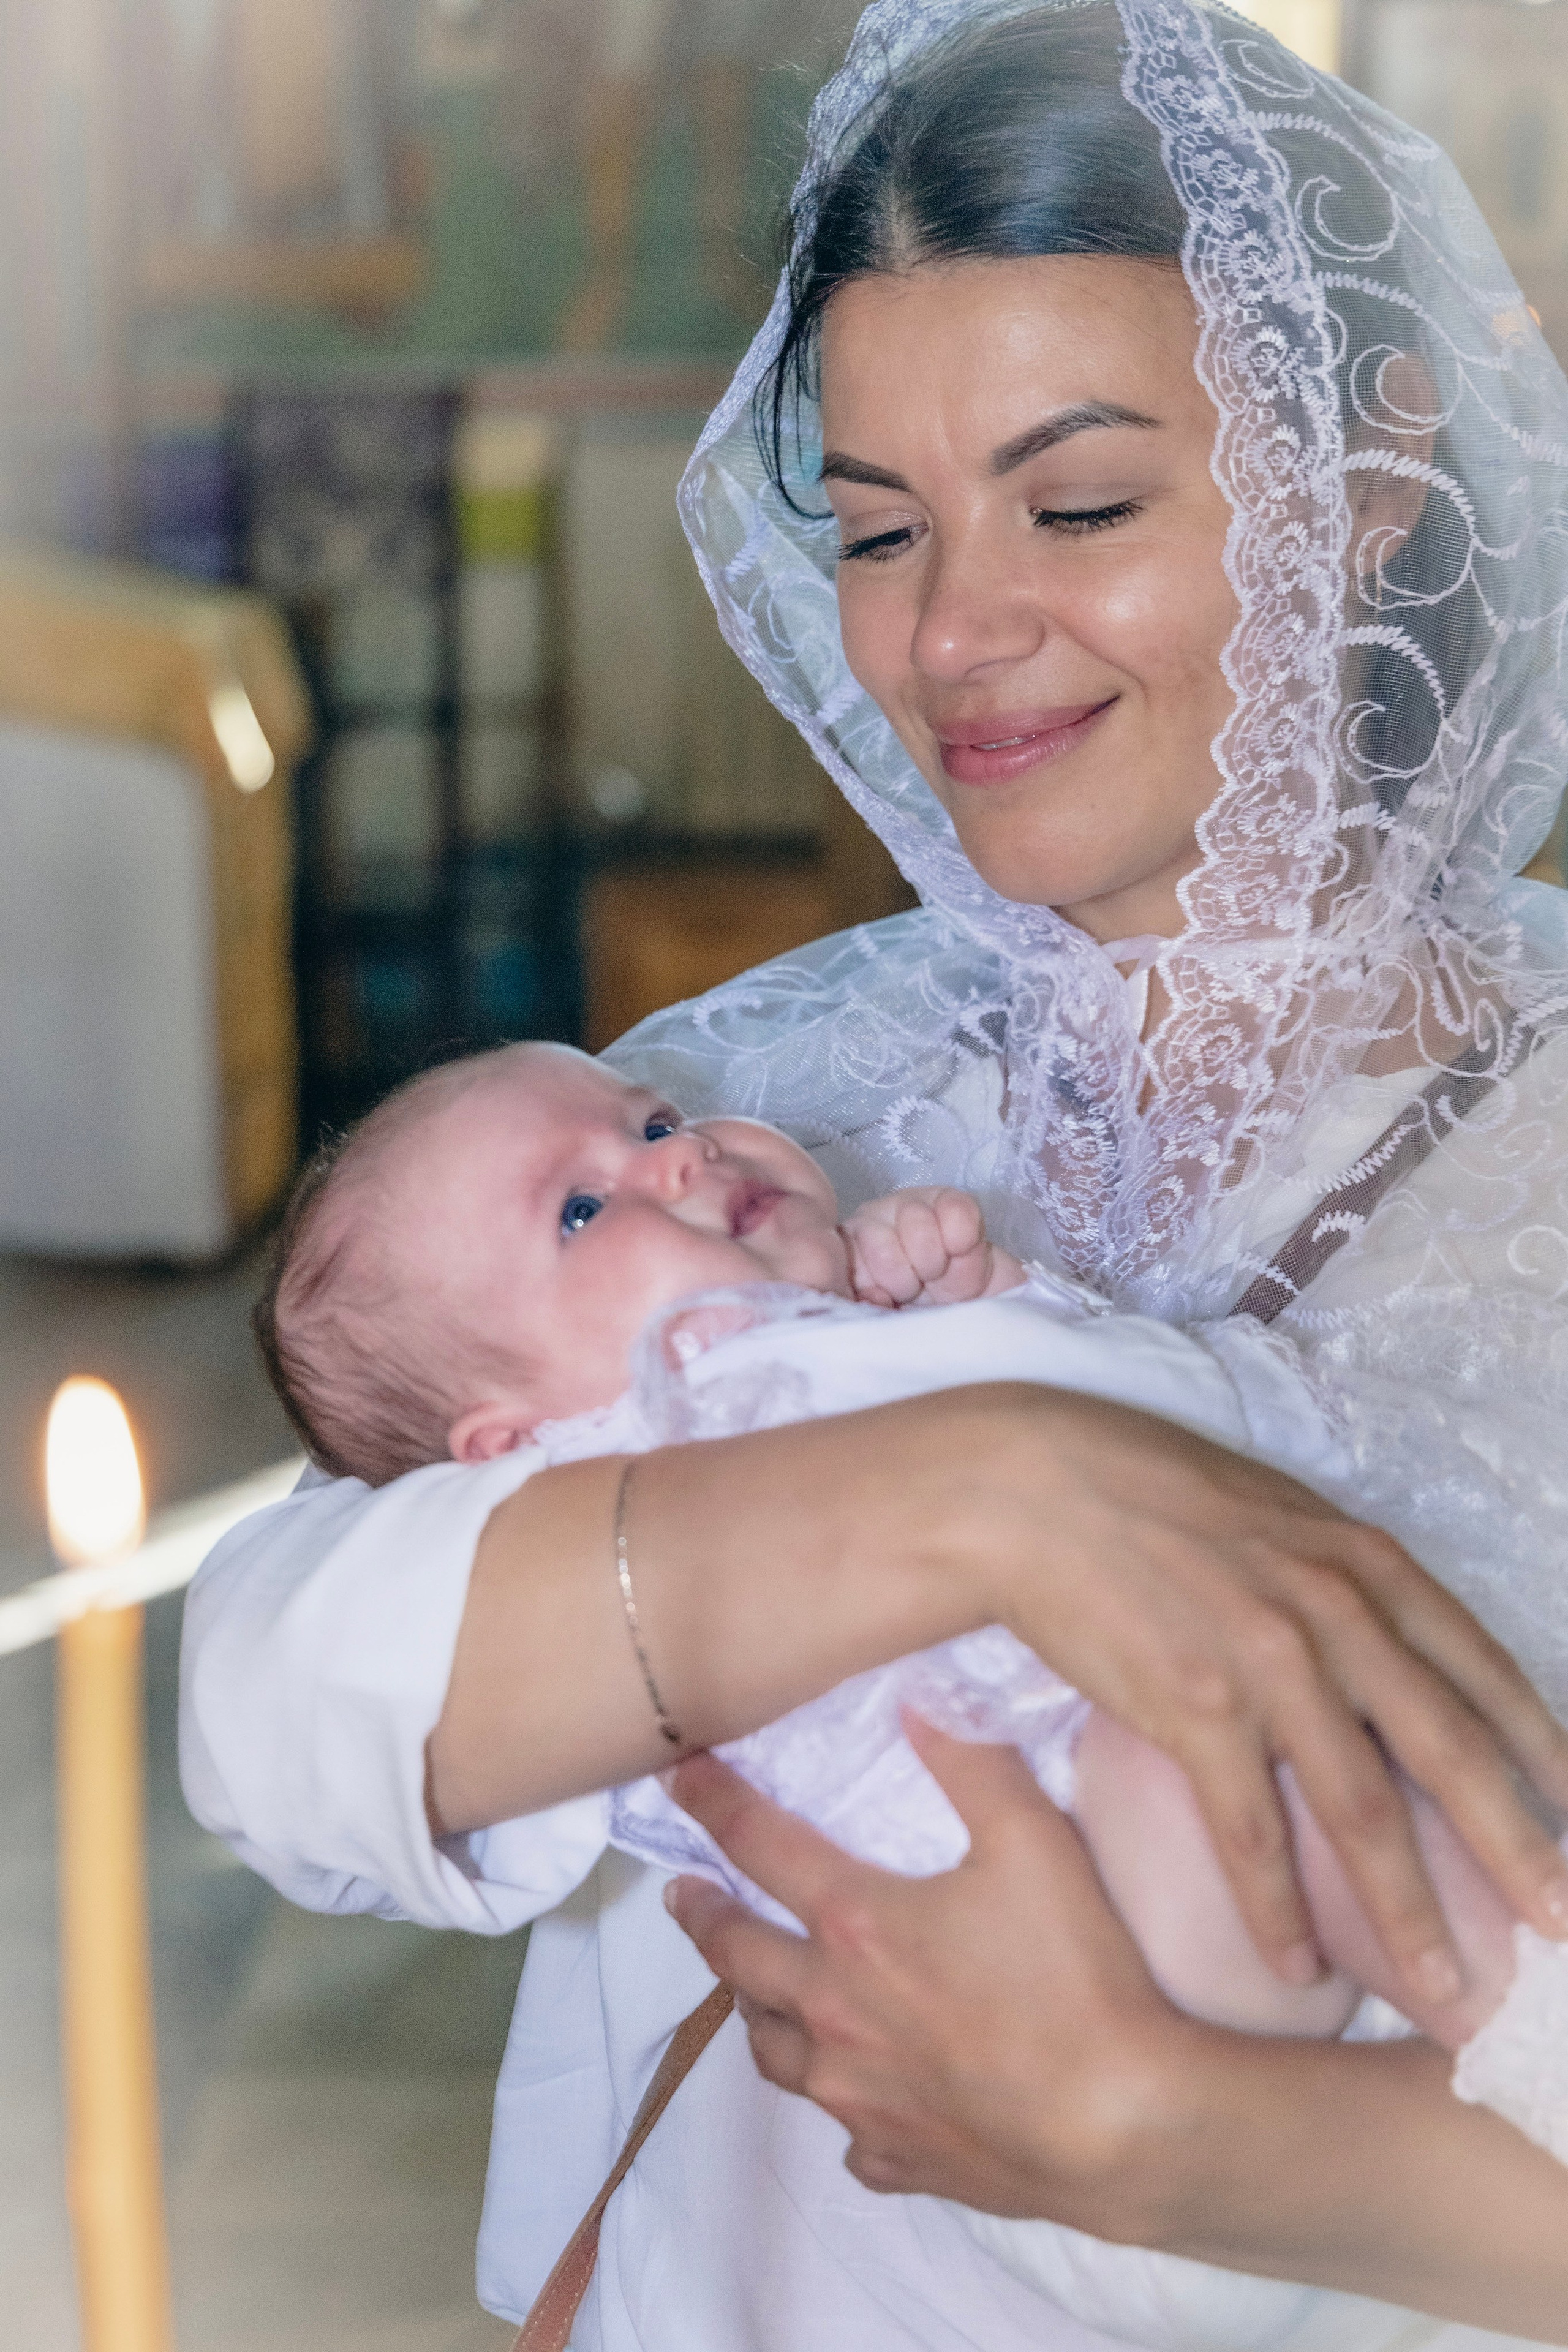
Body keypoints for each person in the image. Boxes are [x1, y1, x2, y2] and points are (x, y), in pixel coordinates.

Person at [180, 2, 1568, 2345]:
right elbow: (275, 1695)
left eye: (1080, 505)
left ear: (1373, 475)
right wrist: (991, 1492)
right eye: (878, 530)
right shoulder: (766, 1095)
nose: (951, 635)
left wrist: (1168, 2136)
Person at [245, 1030, 1562, 2346]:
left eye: (652, 1124)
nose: (679, 1158)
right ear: (504, 1445)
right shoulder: (589, 1498)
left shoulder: (841, 1336)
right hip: (1023, 2017)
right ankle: (1524, 2023)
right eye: (581, 1211)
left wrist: (983, 1303)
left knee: (1311, 1767)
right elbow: (309, 1722)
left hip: (1211, 2064)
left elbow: (1164, 1439)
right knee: (1284, 1776)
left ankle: (1522, 2037)